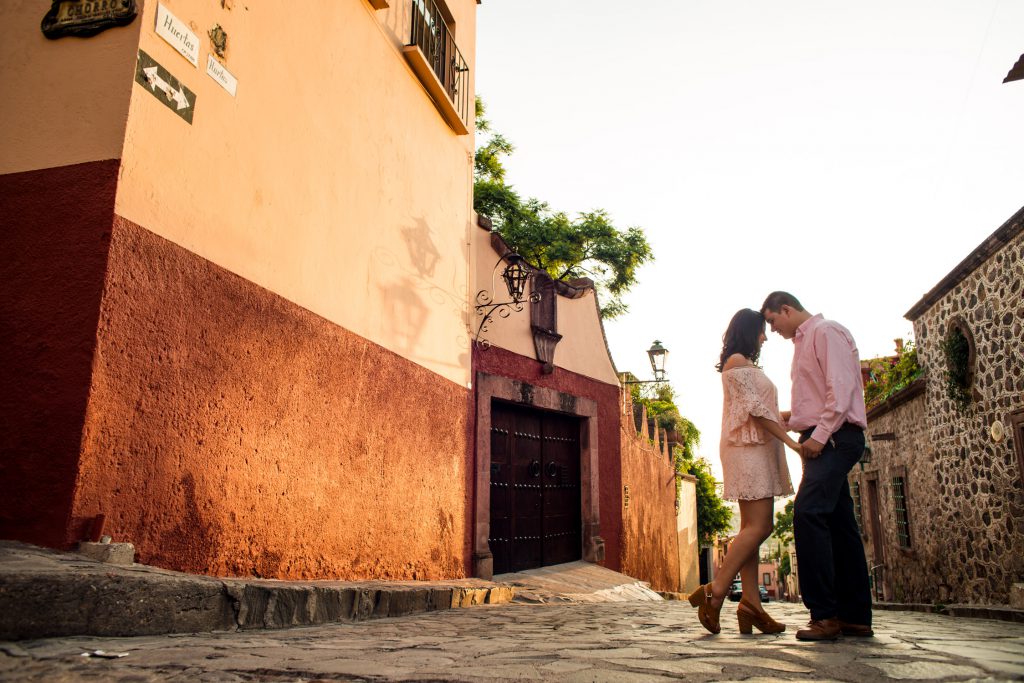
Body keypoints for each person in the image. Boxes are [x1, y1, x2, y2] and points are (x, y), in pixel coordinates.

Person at [760, 291, 873, 641]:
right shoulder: (805, 342)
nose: (773, 330)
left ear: (786, 309)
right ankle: (854, 616)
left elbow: (839, 393)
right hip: (828, 436)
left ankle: (824, 616)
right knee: (841, 526)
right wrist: (788, 421)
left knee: (807, 513)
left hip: (837, 439)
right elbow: (817, 403)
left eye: (773, 321)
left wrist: (819, 437)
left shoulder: (826, 332)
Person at [688, 309, 798, 635]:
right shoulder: (737, 362)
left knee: (751, 527)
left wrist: (796, 416)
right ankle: (716, 591)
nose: (765, 337)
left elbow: (763, 411)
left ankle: (751, 604)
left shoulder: (743, 364)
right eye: (761, 331)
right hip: (746, 450)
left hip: (755, 447)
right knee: (761, 525)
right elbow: (753, 410)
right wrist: (792, 443)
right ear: (749, 331)